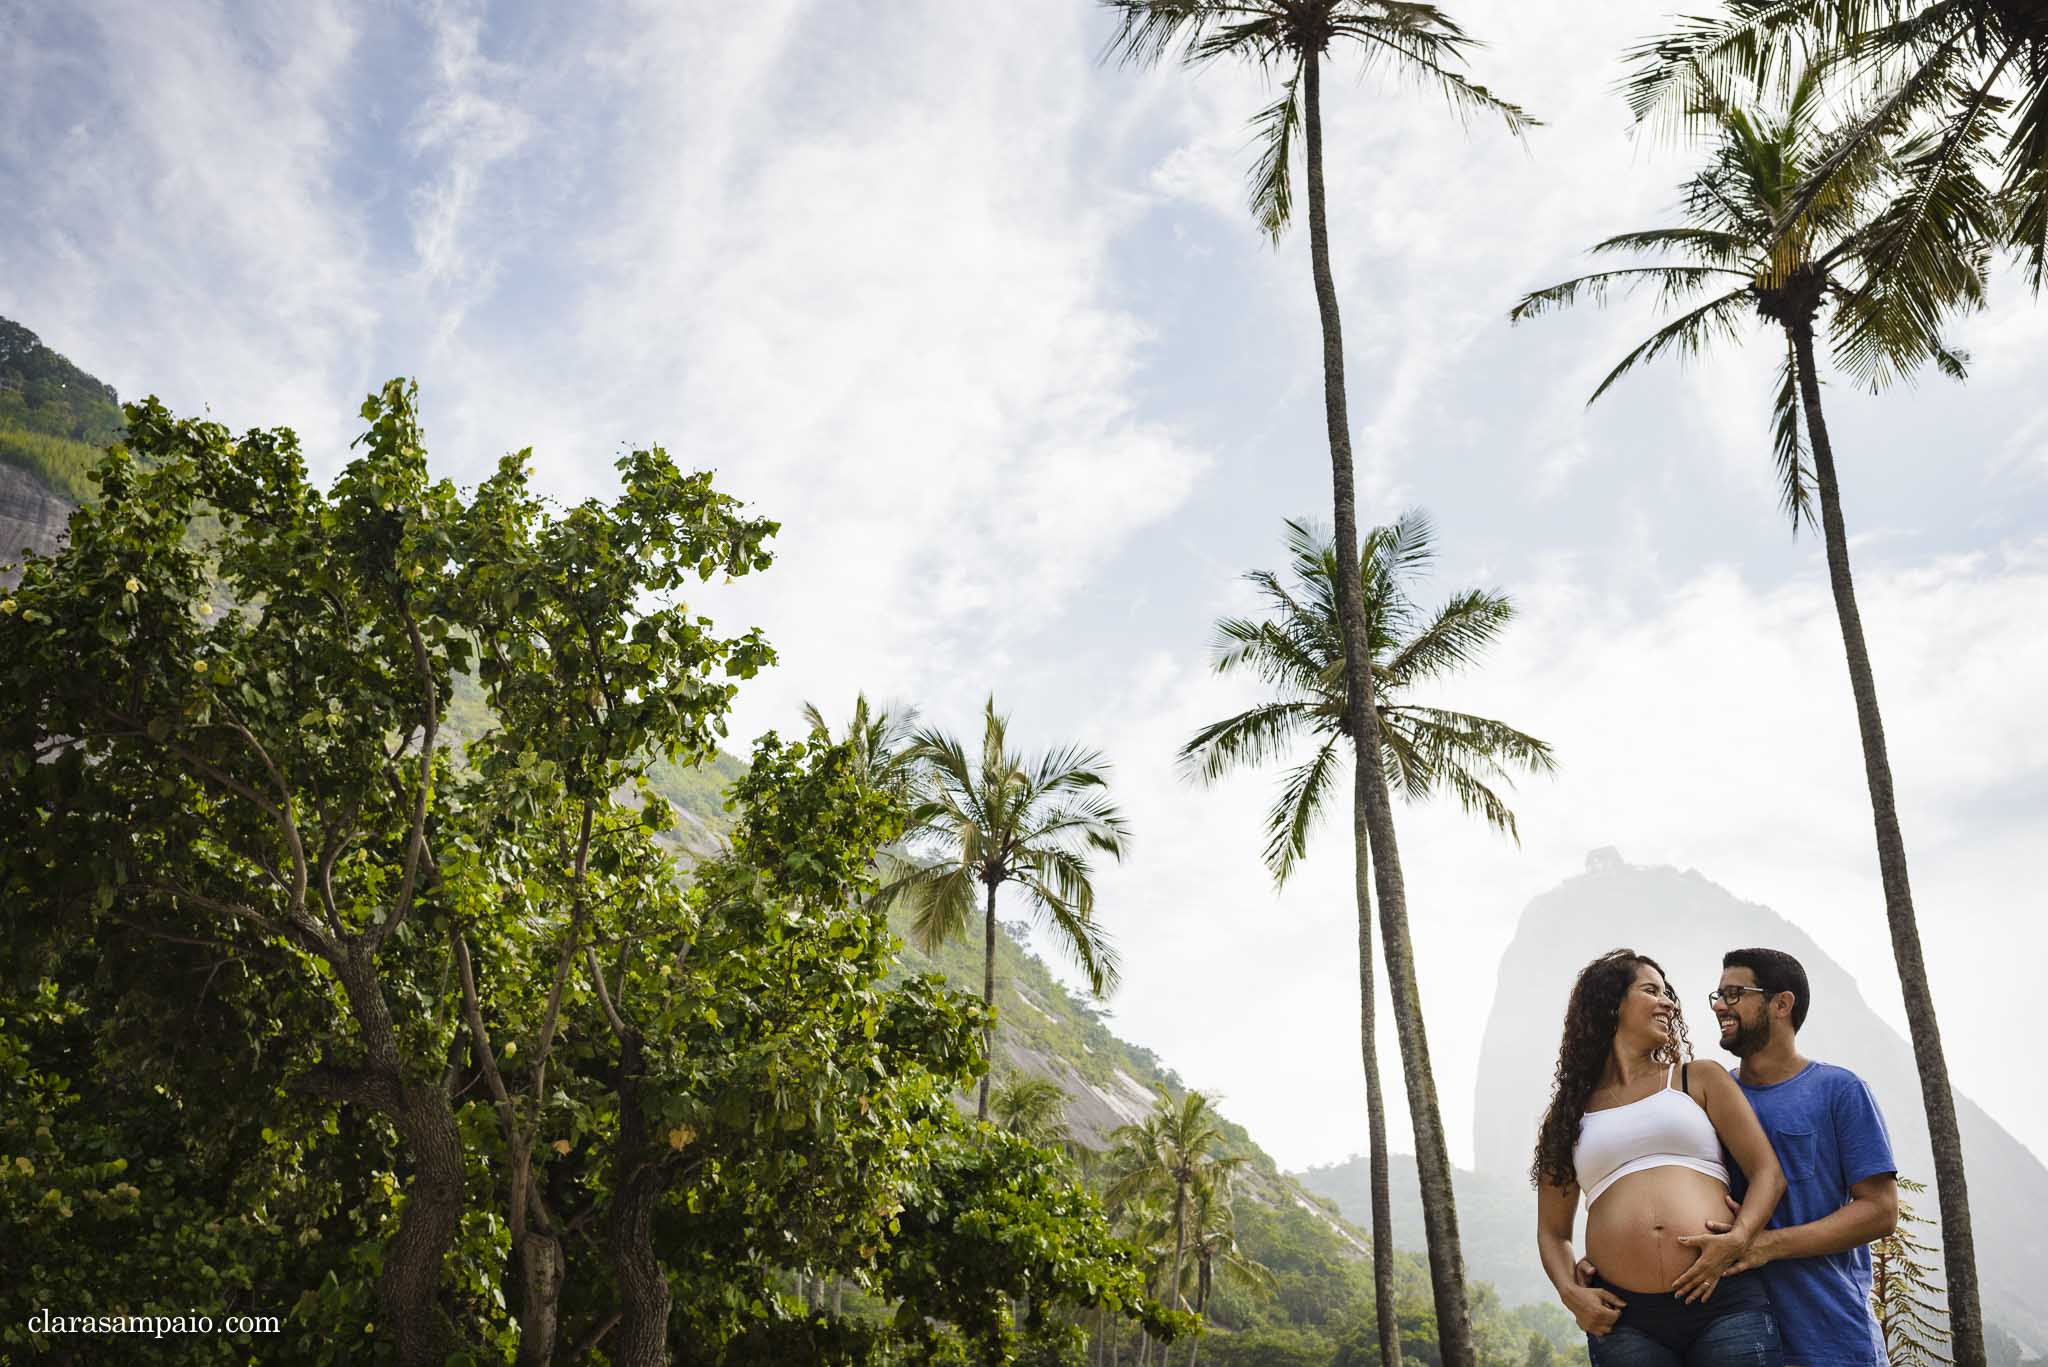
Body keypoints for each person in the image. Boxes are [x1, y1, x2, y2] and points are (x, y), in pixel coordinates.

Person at [1535, 949, 1789, 1365]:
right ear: (1611, 1004)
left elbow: (1768, 1173)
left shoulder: (1698, 1078)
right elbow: (1552, 1232)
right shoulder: (1568, 1116)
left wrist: (1738, 1239)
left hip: (1723, 1298)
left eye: (1668, 993)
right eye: (1651, 991)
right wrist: (1571, 1294)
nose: (1669, 1002)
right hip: (1624, 1319)